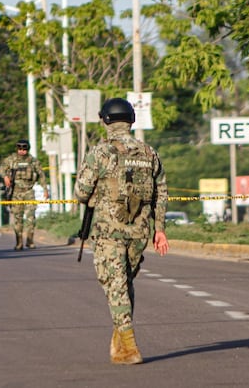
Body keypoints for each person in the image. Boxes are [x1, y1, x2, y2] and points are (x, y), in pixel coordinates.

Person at [74, 97, 169, 365]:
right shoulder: (149, 153)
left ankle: (129, 347)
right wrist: (159, 229)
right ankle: (119, 342)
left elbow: (81, 193)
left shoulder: (99, 153)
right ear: (131, 121)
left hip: (108, 231)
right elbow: (161, 192)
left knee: (114, 284)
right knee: (124, 283)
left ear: (105, 120)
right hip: (139, 231)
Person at [0, 139, 47, 250]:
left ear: (27, 149)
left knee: (31, 218)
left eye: (24, 149)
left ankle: (30, 241)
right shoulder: (11, 160)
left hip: (29, 191)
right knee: (17, 218)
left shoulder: (33, 161)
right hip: (15, 192)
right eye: (19, 148)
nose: (22, 151)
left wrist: (45, 189)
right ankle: (19, 242)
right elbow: (1, 169)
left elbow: (41, 175)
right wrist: (5, 177)